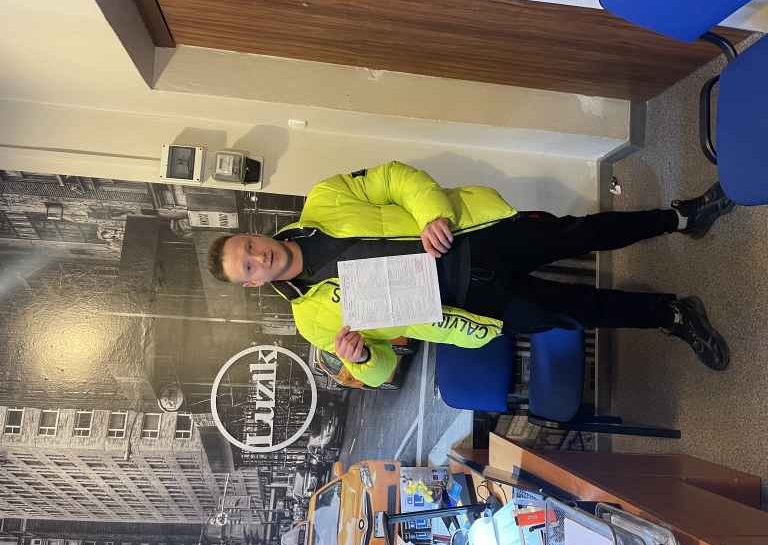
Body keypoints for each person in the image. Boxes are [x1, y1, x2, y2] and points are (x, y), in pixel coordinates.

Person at [207, 161, 734, 387]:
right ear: (252, 282)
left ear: (253, 234)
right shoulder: (311, 322)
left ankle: (679, 218)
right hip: (470, 306)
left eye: (249, 247)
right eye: (248, 267)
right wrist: (362, 357)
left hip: (477, 234)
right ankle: (671, 314)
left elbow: (394, 178)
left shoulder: (323, 199)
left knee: (583, 233)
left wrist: (429, 215)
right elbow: (381, 368)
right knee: (578, 312)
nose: (258, 257)